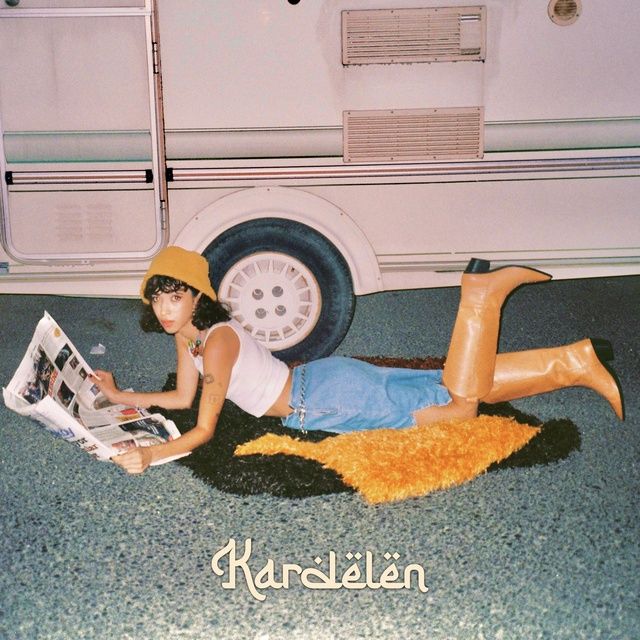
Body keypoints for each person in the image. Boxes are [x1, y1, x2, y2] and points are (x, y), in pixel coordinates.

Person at [91, 246, 624, 474]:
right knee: (454, 385)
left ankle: (480, 299)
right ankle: (575, 363)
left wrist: (150, 455)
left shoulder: (217, 345)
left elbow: (203, 428)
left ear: (197, 298)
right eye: (158, 299)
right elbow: (182, 397)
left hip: (324, 401)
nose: (165, 309)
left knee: (460, 410)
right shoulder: (192, 339)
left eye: (175, 297)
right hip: (325, 380)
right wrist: (119, 395)